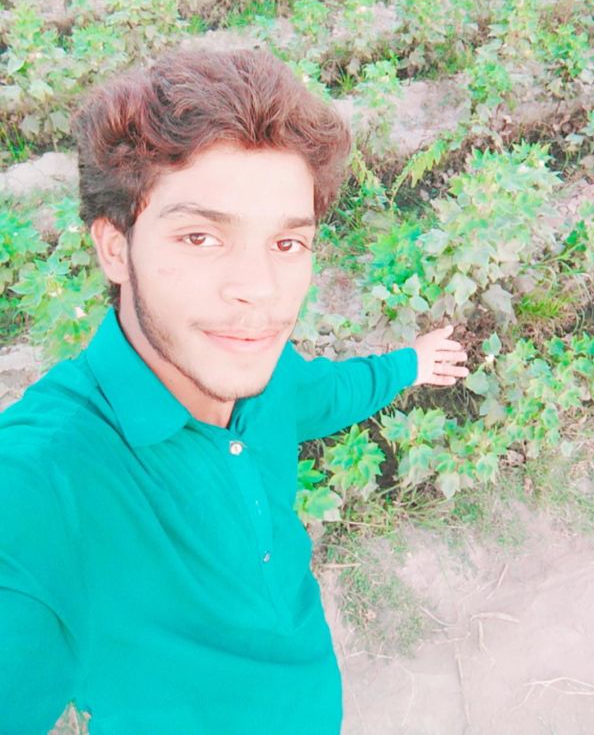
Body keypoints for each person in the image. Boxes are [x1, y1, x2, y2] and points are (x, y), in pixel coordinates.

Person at [0, 48, 469, 734]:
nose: (258, 290)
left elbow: (331, 392)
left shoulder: (271, 377)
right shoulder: (46, 481)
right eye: (200, 237)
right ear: (115, 248)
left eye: (286, 244)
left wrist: (411, 364)